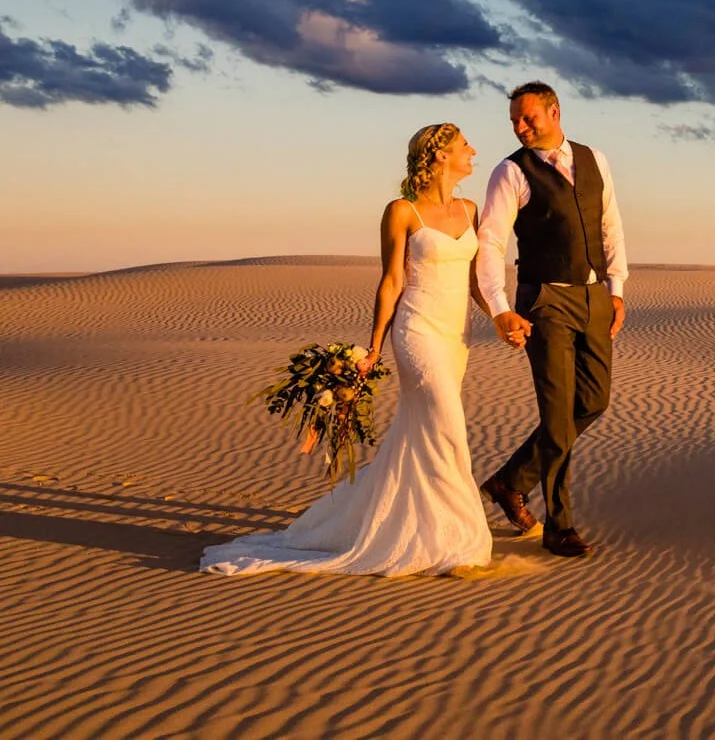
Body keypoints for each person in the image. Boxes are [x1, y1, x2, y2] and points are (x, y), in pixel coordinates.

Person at [202, 125, 494, 577]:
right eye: (464, 147)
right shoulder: (402, 211)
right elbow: (392, 281)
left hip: (458, 336)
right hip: (417, 329)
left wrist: (500, 315)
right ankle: (462, 540)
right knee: (447, 423)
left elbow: (475, 279)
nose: (473, 152)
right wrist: (374, 346)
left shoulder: (471, 209)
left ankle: (417, 525)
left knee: (420, 432)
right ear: (439, 156)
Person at [474, 81, 627, 559]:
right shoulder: (510, 172)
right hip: (544, 303)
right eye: (515, 122)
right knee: (557, 418)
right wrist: (500, 308)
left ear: (554, 111)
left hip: (593, 297)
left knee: (595, 401)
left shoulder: (595, 160)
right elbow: (491, 244)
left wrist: (616, 289)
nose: (521, 128)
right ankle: (560, 526)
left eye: (528, 118)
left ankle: (509, 481)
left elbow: (610, 225)